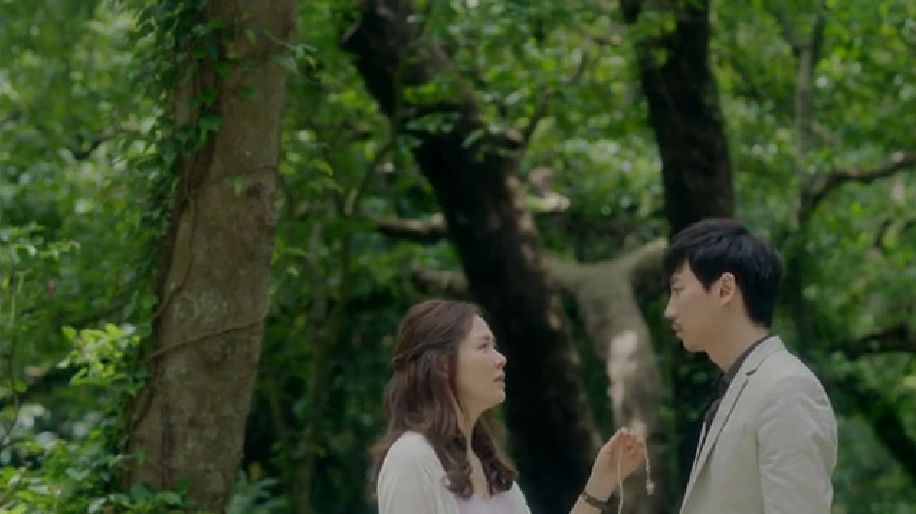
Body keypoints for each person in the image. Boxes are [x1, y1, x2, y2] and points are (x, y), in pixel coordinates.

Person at [373, 299, 647, 514]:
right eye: (483, 347)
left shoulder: (490, 468)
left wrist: (600, 485)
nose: (501, 359)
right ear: (442, 365)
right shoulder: (412, 458)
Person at [663, 218, 837, 514]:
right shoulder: (741, 385)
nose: (669, 310)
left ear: (725, 289)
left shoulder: (787, 389)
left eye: (678, 290)